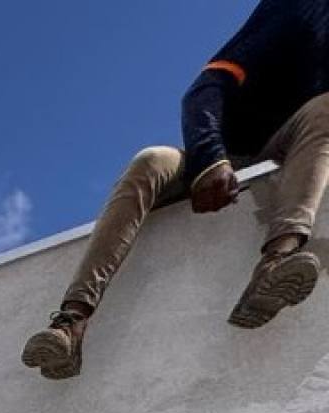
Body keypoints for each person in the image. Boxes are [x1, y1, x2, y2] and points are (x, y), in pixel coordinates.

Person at [23, 0, 329, 379]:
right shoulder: (299, 9)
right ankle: (70, 323)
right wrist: (211, 159)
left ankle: (275, 264)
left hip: (290, 146)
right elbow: (206, 88)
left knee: (326, 108)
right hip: (223, 152)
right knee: (150, 161)